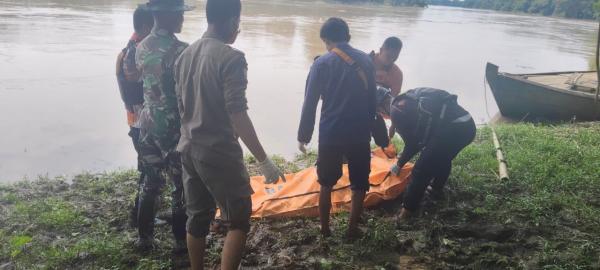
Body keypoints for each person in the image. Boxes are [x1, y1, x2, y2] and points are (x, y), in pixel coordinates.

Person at [174, 0, 286, 268]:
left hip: (188, 147)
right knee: (238, 220)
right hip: (218, 151)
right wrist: (263, 160)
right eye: (238, 22)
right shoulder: (231, 58)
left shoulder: (184, 56)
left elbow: (181, 106)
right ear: (233, 21)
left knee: (197, 218)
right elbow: (237, 113)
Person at [297, 17, 377, 239]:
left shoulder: (321, 63)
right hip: (359, 132)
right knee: (360, 182)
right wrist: (370, 125)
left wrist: (303, 135)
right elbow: (373, 99)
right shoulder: (366, 61)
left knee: (326, 182)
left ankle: (324, 230)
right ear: (348, 37)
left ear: (326, 40)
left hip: (331, 132)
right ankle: (352, 230)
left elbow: (310, 102)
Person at [134, 0, 194, 252]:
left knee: (150, 182)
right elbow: (188, 94)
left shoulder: (141, 46)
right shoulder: (182, 50)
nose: (182, 19)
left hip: (147, 124)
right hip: (173, 128)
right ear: (165, 16)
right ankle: (181, 243)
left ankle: (144, 238)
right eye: (179, 15)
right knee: (180, 186)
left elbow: (143, 81)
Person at [388, 87, 476, 221]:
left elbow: (414, 143)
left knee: (421, 169)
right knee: (442, 156)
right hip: (467, 124)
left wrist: (399, 163)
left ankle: (406, 213)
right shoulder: (405, 99)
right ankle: (436, 190)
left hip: (455, 127)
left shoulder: (399, 111)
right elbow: (417, 139)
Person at [115, 6, 154, 230]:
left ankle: (138, 216)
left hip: (134, 120)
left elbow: (125, 95)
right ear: (148, 26)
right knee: (149, 175)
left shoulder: (124, 53)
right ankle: (140, 220)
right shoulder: (140, 54)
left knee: (145, 171)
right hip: (144, 124)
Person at [370, 37, 404, 139]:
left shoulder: (397, 74)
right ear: (381, 50)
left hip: (378, 106)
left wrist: (393, 126)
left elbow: (393, 102)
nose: (391, 61)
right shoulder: (367, 60)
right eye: (388, 56)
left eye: (395, 57)